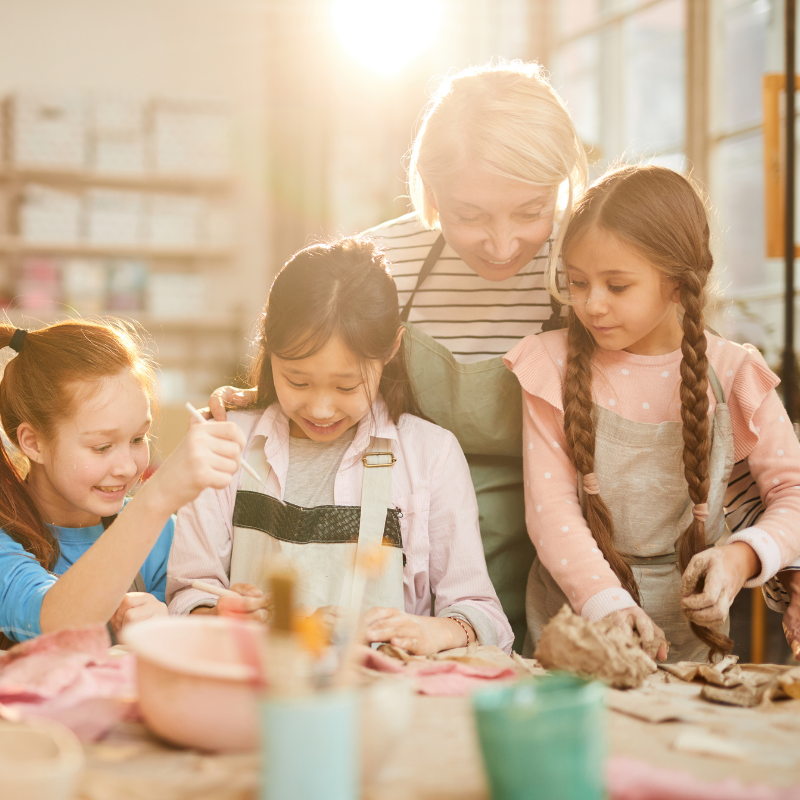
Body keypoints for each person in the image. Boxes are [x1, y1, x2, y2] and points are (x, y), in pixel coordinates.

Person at [206, 60, 588, 648]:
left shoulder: (585, 269)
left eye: (532, 211)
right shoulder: (386, 262)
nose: (503, 242)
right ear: (432, 191)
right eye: (470, 215)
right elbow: (315, 349)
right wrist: (262, 401)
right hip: (412, 547)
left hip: (561, 554)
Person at [504, 165, 800, 663]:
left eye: (617, 286)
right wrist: (607, 606)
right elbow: (550, 513)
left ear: (678, 286)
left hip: (694, 651)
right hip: (574, 634)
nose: (592, 304)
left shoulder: (733, 374)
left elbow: (793, 494)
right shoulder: (548, 365)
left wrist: (739, 557)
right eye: (578, 282)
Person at [166, 237, 513, 655]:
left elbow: (482, 614)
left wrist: (435, 631)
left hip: (387, 701)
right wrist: (220, 615)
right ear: (268, 349)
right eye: (297, 381)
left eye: (347, 385)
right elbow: (186, 596)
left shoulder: (430, 455)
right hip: (256, 690)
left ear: (391, 350)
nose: (321, 408)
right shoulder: (227, 445)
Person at [0, 320, 246, 646]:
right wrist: (158, 496)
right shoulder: (7, 542)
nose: (128, 467)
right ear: (33, 443)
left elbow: (192, 629)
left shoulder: (164, 536)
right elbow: (56, 621)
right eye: (102, 447)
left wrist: (184, 621)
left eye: (138, 438)